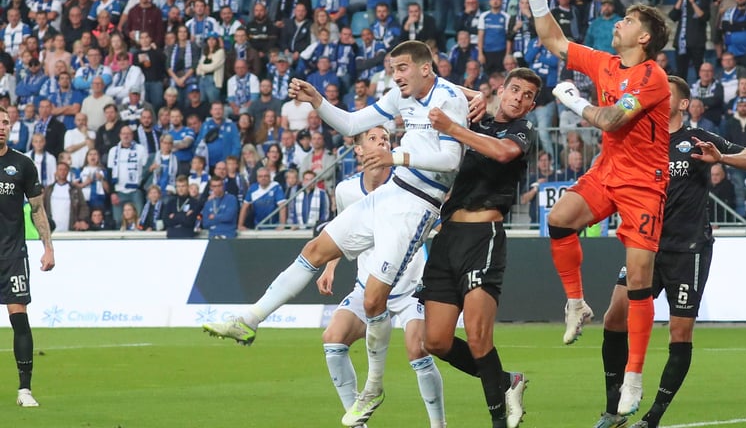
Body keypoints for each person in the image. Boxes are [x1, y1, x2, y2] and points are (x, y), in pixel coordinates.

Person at [203, 40, 468, 428]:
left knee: (376, 300)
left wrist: (396, 156)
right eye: (393, 69)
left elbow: (450, 159)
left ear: (425, 68)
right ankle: (250, 318)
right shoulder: (400, 96)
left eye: (402, 68)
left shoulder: (448, 99)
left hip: (417, 206)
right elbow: (351, 124)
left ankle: (374, 387)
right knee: (315, 248)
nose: (395, 76)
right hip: (391, 194)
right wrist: (316, 102)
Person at [519, 0, 671, 416]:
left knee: (639, 281)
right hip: (608, 172)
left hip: (644, 185)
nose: (617, 24)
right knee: (559, 218)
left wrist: (571, 99)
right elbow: (554, 41)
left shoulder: (651, 77)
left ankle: (635, 376)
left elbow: (611, 120)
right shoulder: (604, 62)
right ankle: (576, 303)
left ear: (643, 38)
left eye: (626, 21)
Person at [593, 75, 746, 428]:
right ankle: (613, 409)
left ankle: (653, 417)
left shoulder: (697, 139)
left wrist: (722, 159)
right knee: (613, 318)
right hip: (646, 248)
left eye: (665, 94)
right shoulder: (640, 139)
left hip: (689, 250)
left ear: (683, 103)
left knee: (679, 333)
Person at [421, 68, 542, 428]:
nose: (518, 98)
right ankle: (506, 381)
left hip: (482, 238)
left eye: (526, 96)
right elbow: (438, 87)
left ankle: (499, 423)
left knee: (477, 336)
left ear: (532, 105)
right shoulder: (477, 117)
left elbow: (504, 153)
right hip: (446, 240)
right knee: (436, 342)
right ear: (501, 91)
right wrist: (470, 92)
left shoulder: (522, 132)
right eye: (514, 90)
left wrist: (456, 129)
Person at [317, 125, 446, 428]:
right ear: (358, 149)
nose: (381, 142)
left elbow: (439, 227)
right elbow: (343, 232)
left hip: (410, 288)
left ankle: (439, 425)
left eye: (385, 139)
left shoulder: (408, 184)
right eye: (373, 138)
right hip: (367, 287)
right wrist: (330, 266)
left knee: (418, 351)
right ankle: (358, 422)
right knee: (332, 339)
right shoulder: (346, 190)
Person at [0, 108, 55, 407]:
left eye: (5, 122)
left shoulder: (22, 164)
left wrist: (48, 247)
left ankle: (25, 390)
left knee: (19, 319)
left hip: (11, 254)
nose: (1, 127)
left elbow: (37, 209)